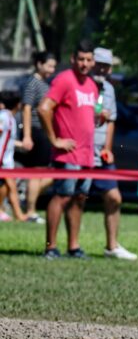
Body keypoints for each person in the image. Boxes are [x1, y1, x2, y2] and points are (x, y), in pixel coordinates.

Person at [37, 40, 98, 259]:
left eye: (88, 59)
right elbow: (44, 108)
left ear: (93, 61)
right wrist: (54, 140)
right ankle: (50, 247)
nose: (84, 64)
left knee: (79, 198)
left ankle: (74, 246)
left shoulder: (92, 85)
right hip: (68, 154)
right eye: (81, 59)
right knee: (62, 196)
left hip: (87, 154)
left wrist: (100, 118)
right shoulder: (64, 80)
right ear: (73, 59)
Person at [89, 47, 137, 260]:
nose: (102, 69)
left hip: (101, 153)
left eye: (106, 66)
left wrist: (108, 148)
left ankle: (112, 246)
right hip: (81, 151)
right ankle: (68, 246)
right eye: (99, 64)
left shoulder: (108, 89)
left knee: (114, 197)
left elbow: (111, 121)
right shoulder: (83, 85)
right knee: (73, 198)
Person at [17, 50, 58, 223]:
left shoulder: (44, 83)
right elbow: (26, 108)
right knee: (37, 171)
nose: (51, 70)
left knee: (48, 172)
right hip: (36, 132)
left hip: (44, 132)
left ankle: (27, 200)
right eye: (49, 66)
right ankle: (31, 211)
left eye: (54, 67)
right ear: (39, 64)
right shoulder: (33, 83)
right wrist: (27, 136)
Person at [0, 90, 28, 222]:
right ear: (18, 104)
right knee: (11, 187)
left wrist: (20, 144)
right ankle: (18, 214)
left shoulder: (9, 117)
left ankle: (15, 213)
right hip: (3, 160)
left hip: (6, 159)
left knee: (9, 187)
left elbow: (7, 139)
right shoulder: (5, 117)